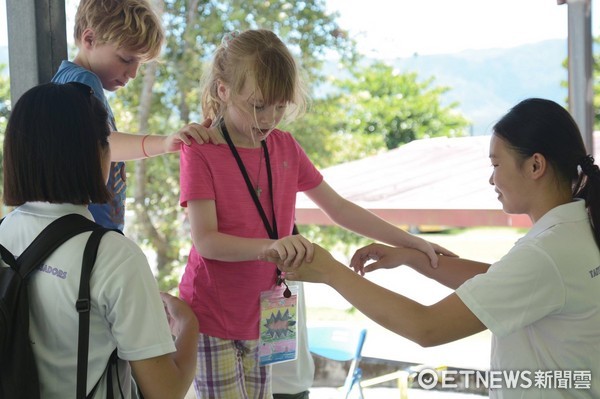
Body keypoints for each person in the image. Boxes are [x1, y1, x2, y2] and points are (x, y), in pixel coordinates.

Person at [178, 29, 453, 398]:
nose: (270, 118)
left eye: (280, 105)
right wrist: (273, 247)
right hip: (212, 316)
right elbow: (206, 241)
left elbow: (338, 208)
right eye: (258, 105)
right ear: (223, 90)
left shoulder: (284, 146)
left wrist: (410, 241)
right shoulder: (201, 150)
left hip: (266, 313)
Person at [267, 98, 600, 398]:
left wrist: (331, 272)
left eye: (496, 165)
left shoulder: (544, 253)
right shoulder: (575, 229)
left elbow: (426, 327)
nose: (491, 179)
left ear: (535, 166)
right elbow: (501, 280)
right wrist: (415, 258)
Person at [0, 81, 199, 399]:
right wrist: (189, 325)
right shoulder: (113, 256)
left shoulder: (4, 233)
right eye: (107, 142)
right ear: (94, 152)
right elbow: (165, 391)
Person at [52, 0, 220, 231]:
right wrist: (164, 142)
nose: (132, 73)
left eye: (139, 63)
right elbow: (101, 143)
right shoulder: (81, 82)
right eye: (126, 59)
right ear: (89, 39)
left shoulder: (68, 83)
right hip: (87, 232)